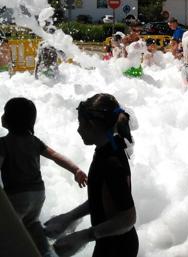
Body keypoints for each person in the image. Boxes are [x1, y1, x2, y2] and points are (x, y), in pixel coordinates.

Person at [45, 93, 138, 257]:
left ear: (93, 125)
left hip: (118, 247)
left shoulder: (111, 162)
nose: (78, 129)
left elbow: (128, 219)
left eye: (81, 124)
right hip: (110, 241)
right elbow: (102, 198)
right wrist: (68, 218)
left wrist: (84, 236)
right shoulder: (109, 148)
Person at [0, 97, 87, 257]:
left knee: (9, 231)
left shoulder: (4, 143)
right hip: (38, 194)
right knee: (33, 225)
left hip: (17, 195)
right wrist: (76, 170)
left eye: (5, 112)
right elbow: (54, 155)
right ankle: (47, 253)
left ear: (9, 119)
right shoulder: (34, 141)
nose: (2, 115)